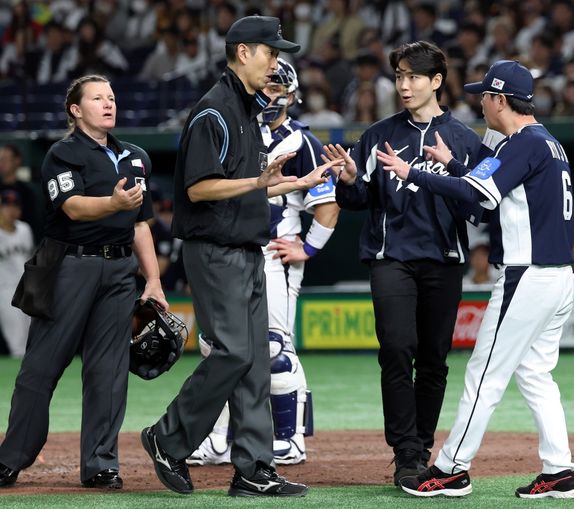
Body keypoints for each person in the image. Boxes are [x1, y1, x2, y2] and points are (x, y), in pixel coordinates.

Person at [139, 16, 342, 498]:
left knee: (254, 361)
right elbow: (199, 187)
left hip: (247, 249)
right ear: (244, 52)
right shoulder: (215, 110)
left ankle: (254, 468)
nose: (275, 62)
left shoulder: (247, 109)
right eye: (271, 52)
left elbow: (251, 185)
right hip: (216, 250)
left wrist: (296, 183)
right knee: (232, 353)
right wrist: (259, 181)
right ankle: (168, 437)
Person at [377, 60, 574, 499]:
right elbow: (486, 189)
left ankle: (452, 468)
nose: (480, 103)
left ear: (500, 100)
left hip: (527, 276)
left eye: (484, 96)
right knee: (535, 374)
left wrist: (412, 173)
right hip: (558, 277)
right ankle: (560, 470)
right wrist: (453, 164)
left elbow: (476, 195)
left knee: (483, 374)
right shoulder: (546, 142)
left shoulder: (521, 144)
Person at [323, 40, 483, 487]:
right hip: (390, 258)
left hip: (443, 260)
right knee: (396, 349)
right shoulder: (377, 135)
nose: (404, 85)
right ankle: (406, 452)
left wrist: (452, 171)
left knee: (433, 360)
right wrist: (349, 181)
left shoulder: (464, 140)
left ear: (437, 81)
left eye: (413, 76)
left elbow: (480, 205)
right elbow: (357, 198)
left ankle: (422, 445)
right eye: (399, 76)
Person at [0, 74, 167, 490]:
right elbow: (72, 207)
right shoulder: (63, 153)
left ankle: (100, 465)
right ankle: (11, 458)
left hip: (120, 270)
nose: (108, 103)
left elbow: (141, 224)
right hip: (70, 266)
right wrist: (114, 202)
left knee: (108, 371)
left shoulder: (135, 157)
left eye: (111, 97)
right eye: (97, 98)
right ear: (76, 110)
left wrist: (153, 279)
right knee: (41, 367)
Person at [187, 58, 340, 467]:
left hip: (273, 253)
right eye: (266, 88)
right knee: (217, 347)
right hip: (233, 251)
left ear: (292, 95)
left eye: (277, 90)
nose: (270, 97)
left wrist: (308, 248)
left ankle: (289, 439)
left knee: (273, 348)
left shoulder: (301, 141)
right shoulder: (242, 130)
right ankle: (218, 440)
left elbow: (327, 204)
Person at [0, 189, 33, 357]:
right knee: (17, 341)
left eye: (15, 206)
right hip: (5, 290)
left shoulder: (24, 229)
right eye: (6, 206)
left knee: (32, 336)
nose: (11, 210)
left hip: (27, 288)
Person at [0, 143, 46, 243]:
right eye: (0, 159)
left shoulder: (28, 192)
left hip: (23, 242)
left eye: (5, 159)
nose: (1, 163)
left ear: (17, 161)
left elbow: (35, 221)